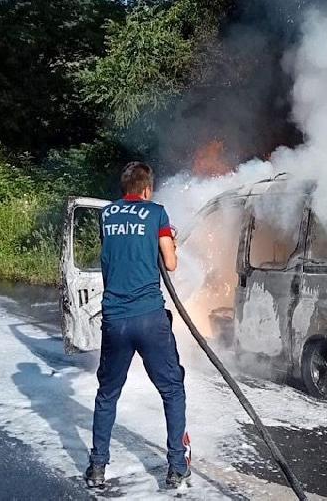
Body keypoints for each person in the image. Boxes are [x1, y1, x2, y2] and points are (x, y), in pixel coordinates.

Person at [84, 162, 191, 489]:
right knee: (172, 390)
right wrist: (171, 238)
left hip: (115, 320)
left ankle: (98, 467)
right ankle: (176, 467)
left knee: (107, 394)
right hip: (149, 318)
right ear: (146, 190)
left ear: (124, 188)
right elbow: (170, 263)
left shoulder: (107, 215)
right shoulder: (157, 213)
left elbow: (115, 254)